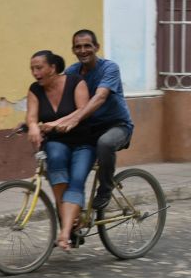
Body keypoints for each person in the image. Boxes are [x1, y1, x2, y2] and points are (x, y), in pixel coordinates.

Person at [47, 30, 134, 210]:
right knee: (69, 165)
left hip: (117, 126)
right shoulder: (71, 72)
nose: (83, 50)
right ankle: (74, 216)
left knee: (105, 143)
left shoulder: (110, 68)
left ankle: (105, 189)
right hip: (88, 130)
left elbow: (100, 97)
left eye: (87, 46)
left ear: (96, 47)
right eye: (78, 47)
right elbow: (59, 99)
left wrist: (76, 117)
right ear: (73, 50)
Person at [26, 50, 95, 250]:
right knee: (54, 158)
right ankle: (70, 218)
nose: (35, 72)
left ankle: (64, 234)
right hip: (57, 142)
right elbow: (32, 116)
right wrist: (32, 126)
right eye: (32, 69)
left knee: (77, 180)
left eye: (38, 68)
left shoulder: (75, 82)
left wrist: (56, 123)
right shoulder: (35, 89)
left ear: (52, 68)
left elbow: (82, 111)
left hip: (83, 142)